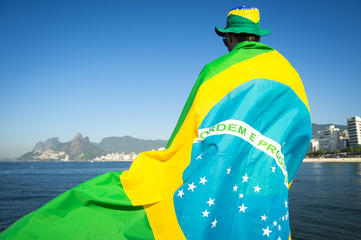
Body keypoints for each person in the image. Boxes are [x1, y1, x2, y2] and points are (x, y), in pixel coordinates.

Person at [1, 6, 311, 240]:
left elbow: (185, 141)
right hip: (268, 205)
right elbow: (295, 148)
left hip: (214, 195)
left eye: (225, 39)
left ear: (230, 37)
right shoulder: (292, 76)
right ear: (257, 35)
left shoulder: (217, 71)